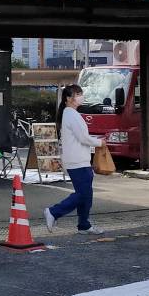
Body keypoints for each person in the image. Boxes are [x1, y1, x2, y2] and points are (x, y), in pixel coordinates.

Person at [44, 84, 104, 234]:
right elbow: (83, 137)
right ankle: (53, 212)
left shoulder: (70, 113)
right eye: (77, 94)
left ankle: (84, 224)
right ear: (68, 99)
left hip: (79, 160)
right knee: (83, 194)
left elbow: (81, 137)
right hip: (78, 161)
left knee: (86, 194)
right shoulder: (71, 114)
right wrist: (99, 142)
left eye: (80, 93)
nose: (80, 96)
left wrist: (95, 140)